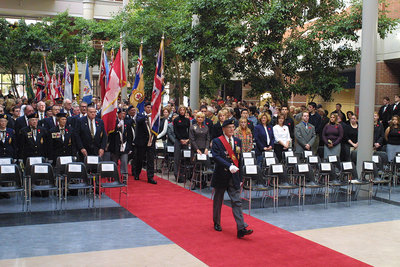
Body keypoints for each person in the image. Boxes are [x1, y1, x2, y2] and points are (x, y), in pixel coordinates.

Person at [211, 119, 253, 238]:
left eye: (233, 127)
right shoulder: (217, 141)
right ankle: (217, 222)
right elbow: (216, 157)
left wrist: (240, 177)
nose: (231, 130)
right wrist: (229, 166)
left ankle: (241, 228)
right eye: (229, 127)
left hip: (233, 176)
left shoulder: (237, 141)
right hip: (221, 174)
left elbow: (239, 160)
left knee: (237, 201)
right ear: (224, 129)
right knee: (218, 200)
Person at [134, 102, 157, 184]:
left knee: (150, 159)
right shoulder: (140, 115)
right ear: (144, 107)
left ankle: (150, 177)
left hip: (151, 140)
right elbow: (138, 121)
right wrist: (147, 116)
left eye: (150, 107)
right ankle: (137, 173)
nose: (149, 109)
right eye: (147, 107)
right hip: (141, 141)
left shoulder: (153, 116)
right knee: (139, 158)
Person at [108, 108, 134, 182]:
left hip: (124, 145)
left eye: (124, 114)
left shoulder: (127, 122)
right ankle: (113, 175)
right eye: (121, 113)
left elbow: (130, 136)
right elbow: (110, 134)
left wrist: (130, 147)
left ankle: (124, 176)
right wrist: (117, 127)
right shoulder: (114, 122)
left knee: (124, 161)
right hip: (115, 145)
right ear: (118, 114)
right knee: (114, 162)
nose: (123, 115)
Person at [173, 105, 190, 181]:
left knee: (185, 159)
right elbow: (175, 131)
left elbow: (189, 130)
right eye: (181, 110)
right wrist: (180, 139)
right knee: (177, 158)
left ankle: (184, 175)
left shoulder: (187, 120)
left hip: (186, 140)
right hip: (178, 140)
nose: (182, 111)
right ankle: (177, 175)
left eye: (183, 110)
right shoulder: (176, 120)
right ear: (179, 111)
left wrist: (187, 140)